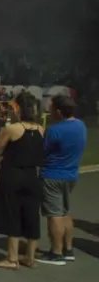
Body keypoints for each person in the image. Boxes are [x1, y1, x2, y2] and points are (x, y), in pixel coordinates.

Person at [0, 91, 45, 270]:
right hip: (31, 175)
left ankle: (12, 259)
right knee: (31, 215)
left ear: (18, 107)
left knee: (11, 213)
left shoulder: (13, 129)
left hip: (11, 175)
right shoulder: (40, 129)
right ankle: (30, 257)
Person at [39, 95, 87, 264]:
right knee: (65, 212)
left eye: (52, 109)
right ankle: (68, 248)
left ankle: (56, 252)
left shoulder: (55, 130)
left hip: (53, 175)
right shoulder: (81, 126)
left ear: (58, 111)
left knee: (54, 215)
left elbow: (42, 152)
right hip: (71, 174)